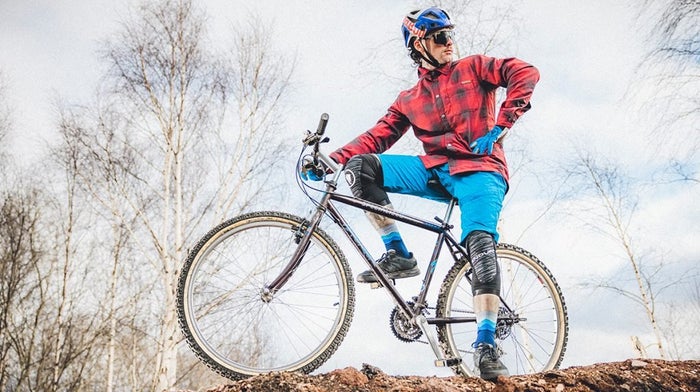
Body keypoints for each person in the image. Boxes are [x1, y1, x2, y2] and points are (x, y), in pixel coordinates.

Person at [311, 7, 539, 380]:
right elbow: (377, 136)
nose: (449, 43)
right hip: (435, 170)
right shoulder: (410, 98)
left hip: (481, 170)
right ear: (419, 45)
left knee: (479, 247)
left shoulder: (474, 68)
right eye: (439, 37)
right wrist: (332, 159)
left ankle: (485, 344)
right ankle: (399, 254)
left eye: (451, 35)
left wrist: (501, 126)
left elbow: (525, 72)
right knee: (362, 167)